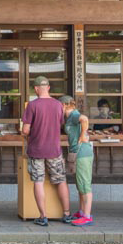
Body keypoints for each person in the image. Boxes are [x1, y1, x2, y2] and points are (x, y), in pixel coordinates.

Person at [21, 76, 70, 226]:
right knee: (60, 180)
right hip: (54, 149)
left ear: (36, 89)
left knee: (38, 181)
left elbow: (25, 130)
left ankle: (43, 216)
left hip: (36, 150)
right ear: (48, 87)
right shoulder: (58, 105)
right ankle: (67, 214)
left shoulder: (32, 105)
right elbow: (60, 124)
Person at [60, 96, 95, 226]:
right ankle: (81, 212)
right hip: (77, 152)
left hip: (82, 152)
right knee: (80, 184)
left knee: (84, 184)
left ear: (64, 105)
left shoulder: (74, 114)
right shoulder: (69, 117)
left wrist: (82, 135)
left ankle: (87, 216)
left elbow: (84, 119)